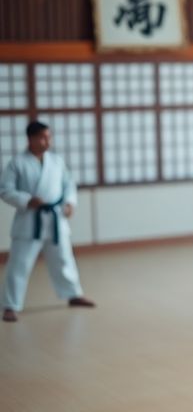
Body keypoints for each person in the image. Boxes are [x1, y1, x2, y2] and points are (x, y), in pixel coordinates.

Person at [1, 121, 95, 323]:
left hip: (55, 217)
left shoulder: (56, 161)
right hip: (29, 220)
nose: (47, 141)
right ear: (31, 139)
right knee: (19, 264)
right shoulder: (17, 163)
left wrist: (70, 203)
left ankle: (73, 294)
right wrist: (27, 200)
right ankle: (10, 305)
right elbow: (5, 190)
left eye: (49, 137)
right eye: (43, 137)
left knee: (63, 259)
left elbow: (68, 184)